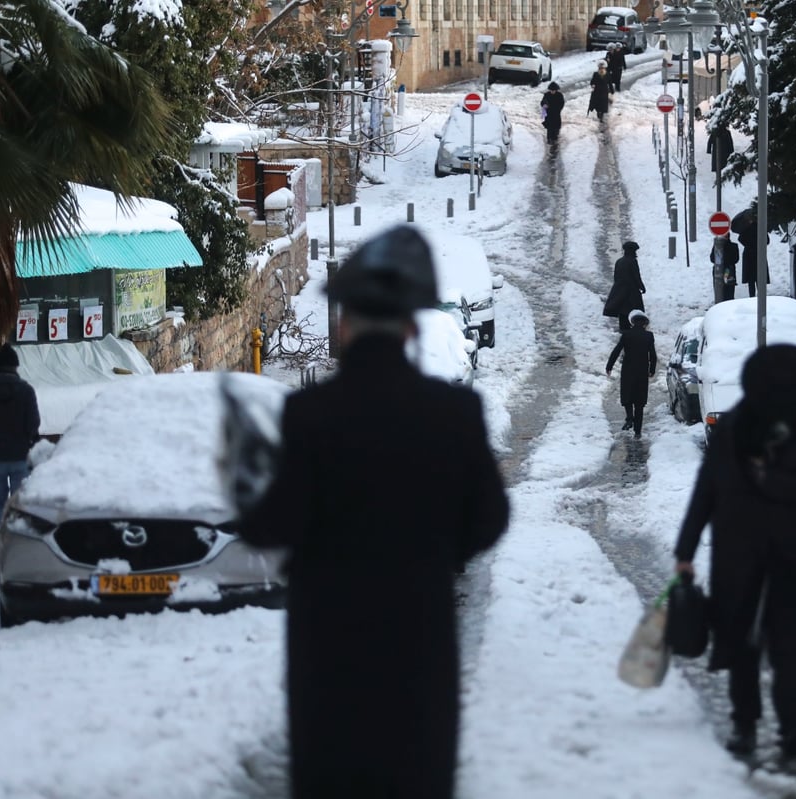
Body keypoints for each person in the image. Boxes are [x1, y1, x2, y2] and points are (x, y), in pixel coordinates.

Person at [235, 224, 510, 799]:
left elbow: (271, 527)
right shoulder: (455, 411)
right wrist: (438, 555)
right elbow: (490, 518)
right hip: (420, 639)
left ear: (345, 325)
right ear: (411, 327)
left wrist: (245, 480)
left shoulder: (308, 414)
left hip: (328, 647)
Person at [673, 345, 796, 766]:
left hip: (773, 554)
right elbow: (709, 488)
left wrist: (764, 479)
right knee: (757, 645)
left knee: (769, 645)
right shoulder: (760, 430)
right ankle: (757, 726)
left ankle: (785, 728)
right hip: (761, 552)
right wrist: (684, 549)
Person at [0, 343, 40, 509]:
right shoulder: (26, 390)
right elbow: (33, 423)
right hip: (20, 456)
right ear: (15, 366)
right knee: (19, 504)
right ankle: (15, 532)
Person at [605, 309, 656, 439]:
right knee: (639, 401)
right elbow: (653, 355)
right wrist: (652, 370)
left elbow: (616, 351)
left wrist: (609, 366)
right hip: (642, 371)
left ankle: (629, 417)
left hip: (628, 370)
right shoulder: (649, 336)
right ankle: (638, 431)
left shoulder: (626, 334)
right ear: (644, 324)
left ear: (632, 322)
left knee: (627, 395)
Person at [602, 241, 646, 331]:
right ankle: (634, 329)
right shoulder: (632, 261)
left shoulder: (619, 261)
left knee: (622, 311)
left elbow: (616, 276)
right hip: (631, 292)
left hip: (620, 290)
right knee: (633, 310)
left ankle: (623, 328)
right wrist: (642, 287)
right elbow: (636, 276)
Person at [710, 233, 740, 304]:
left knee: (723, 293)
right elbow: (736, 259)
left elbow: (712, 259)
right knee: (727, 293)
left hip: (723, 271)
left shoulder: (719, 246)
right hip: (728, 271)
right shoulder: (732, 246)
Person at [540, 81, 565, 145]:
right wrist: (544, 105)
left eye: (553, 90)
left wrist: (558, 109)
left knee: (556, 126)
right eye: (551, 90)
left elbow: (562, 103)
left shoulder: (559, 95)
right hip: (549, 113)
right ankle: (549, 138)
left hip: (556, 113)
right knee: (549, 127)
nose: (552, 92)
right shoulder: (546, 95)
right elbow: (542, 102)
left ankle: (555, 138)